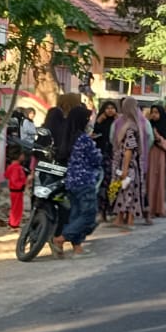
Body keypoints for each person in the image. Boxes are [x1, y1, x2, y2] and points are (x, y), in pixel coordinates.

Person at [53, 106, 101, 256]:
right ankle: (61, 238)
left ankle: (77, 248)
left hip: (71, 181)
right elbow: (96, 159)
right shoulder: (84, 139)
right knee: (88, 216)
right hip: (85, 180)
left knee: (75, 215)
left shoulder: (67, 137)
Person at [110, 97, 148, 229]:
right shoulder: (134, 124)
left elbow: (129, 149)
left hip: (127, 164)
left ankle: (127, 218)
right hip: (129, 164)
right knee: (126, 190)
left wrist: (125, 168)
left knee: (127, 190)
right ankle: (122, 218)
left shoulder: (129, 127)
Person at [145, 104, 166, 218]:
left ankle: (160, 208)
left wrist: (158, 136)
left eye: (156, 112)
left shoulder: (165, 127)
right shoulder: (148, 125)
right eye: (152, 112)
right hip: (150, 154)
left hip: (160, 155)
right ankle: (150, 209)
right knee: (151, 180)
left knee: (160, 180)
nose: (154, 115)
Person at [5, 147, 29, 230]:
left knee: (15, 207)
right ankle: (14, 224)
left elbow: (7, 176)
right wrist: (23, 185)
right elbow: (15, 180)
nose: (23, 156)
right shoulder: (16, 167)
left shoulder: (12, 166)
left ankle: (13, 222)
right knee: (17, 208)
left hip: (14, 190)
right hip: (17, 190)